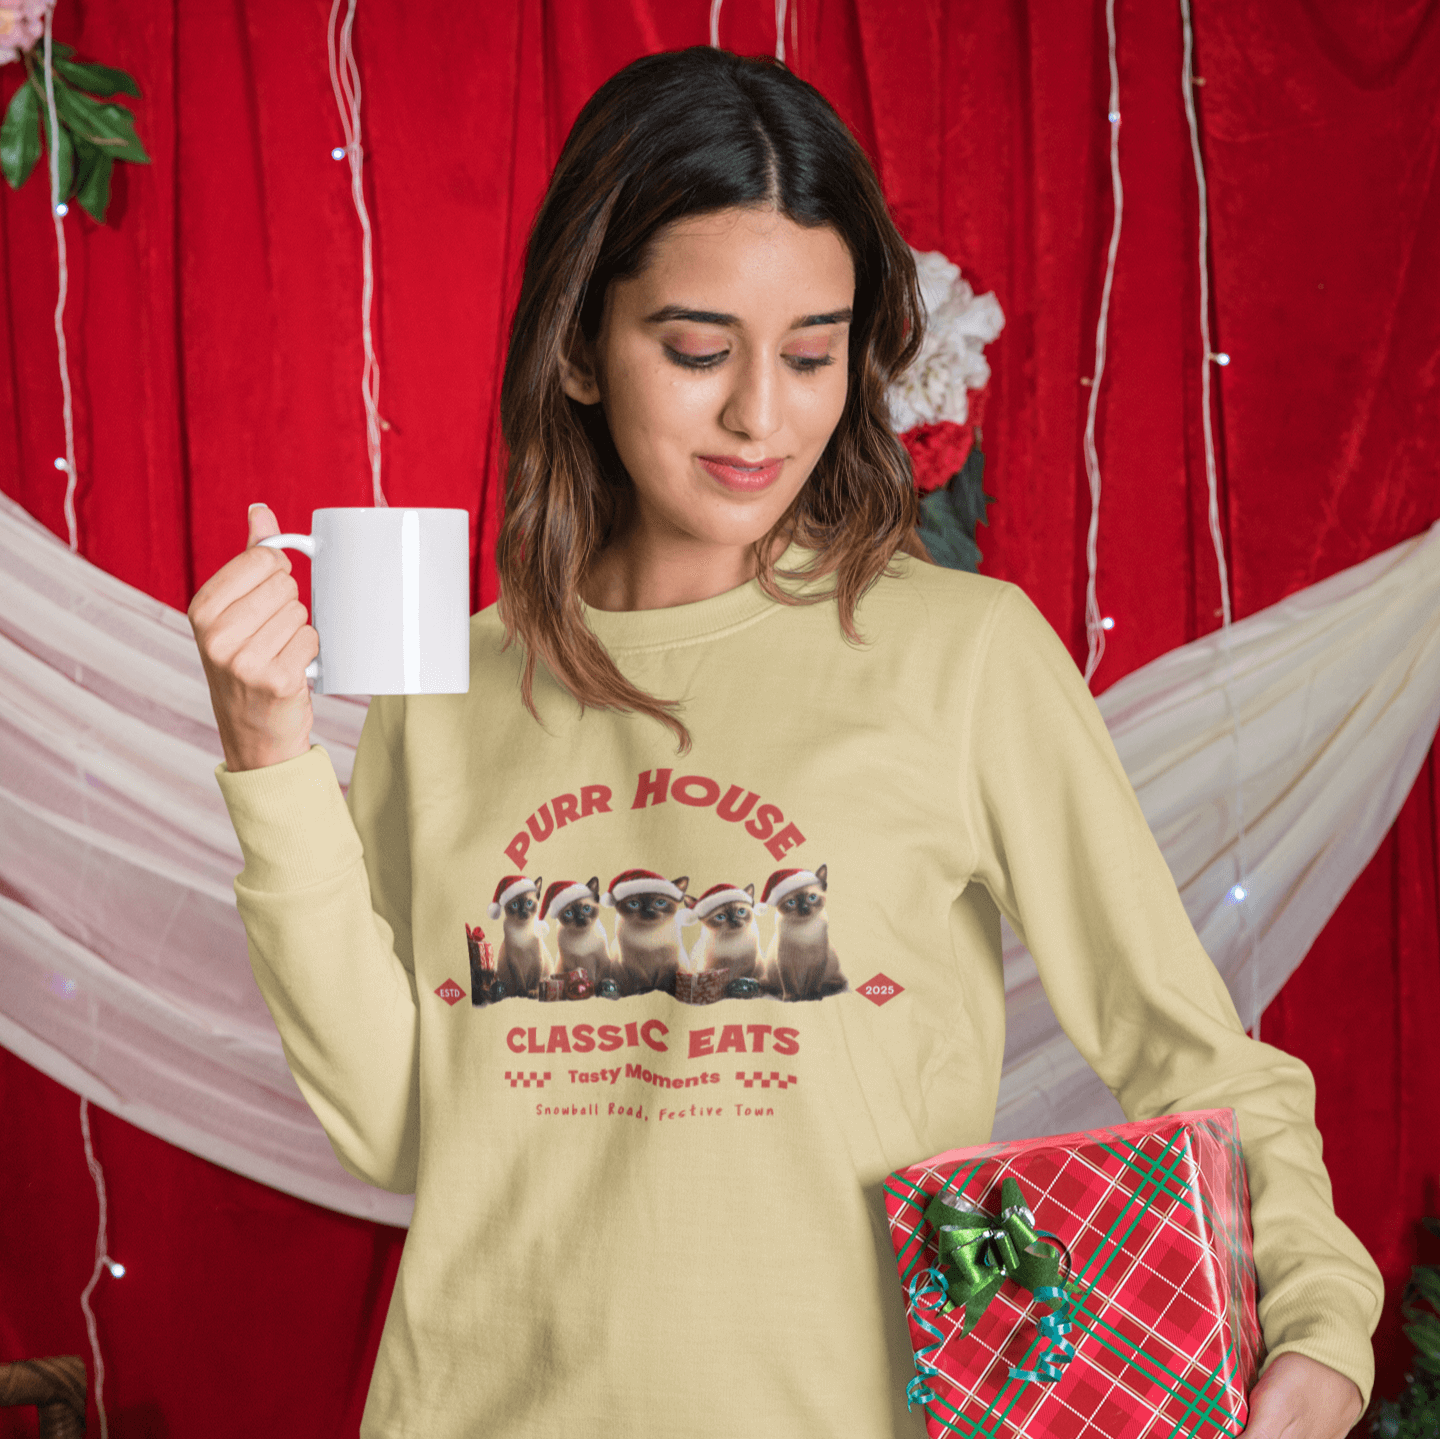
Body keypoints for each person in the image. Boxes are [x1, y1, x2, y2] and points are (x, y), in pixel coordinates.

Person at [189, 46, 1380, 1439]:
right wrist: (272, 760)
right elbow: (402, 1125)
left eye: (813, 353)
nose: (765, 414)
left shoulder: (965, 657)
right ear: (579, 342)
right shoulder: (448, 682)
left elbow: (1192, 1055)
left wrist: (1318, 1320)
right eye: (699, 351)